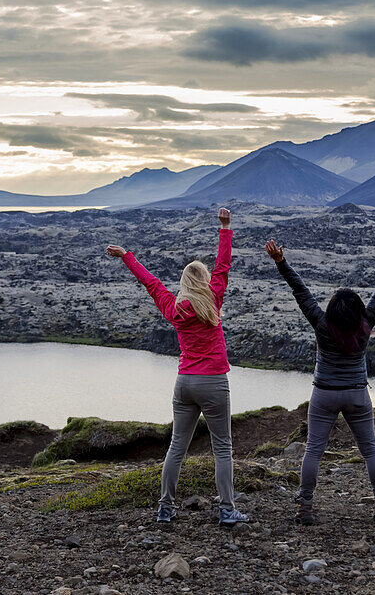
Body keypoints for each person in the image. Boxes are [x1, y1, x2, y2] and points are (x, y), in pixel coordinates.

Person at [106, 207, 249, 526]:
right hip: (213, 383)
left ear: (184, 282)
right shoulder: (213, 299)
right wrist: (225, 227)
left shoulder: (173, 307)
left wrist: (126, 255)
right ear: (205, 280)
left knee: (177, 447)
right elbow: (224, 265)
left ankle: (165, 508)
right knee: (222, 447)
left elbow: (151, 282)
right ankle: (227, 509)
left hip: (184, 382)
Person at [264, 239, 375, 526]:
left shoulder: (321, 324)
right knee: (370, 449)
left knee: (313, 450)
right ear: (358, 311)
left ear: (333, 311)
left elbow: (300, 291)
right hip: (357, 395)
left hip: (324, 395)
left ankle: (305, 509)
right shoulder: (366, 323)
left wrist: (280, 261)